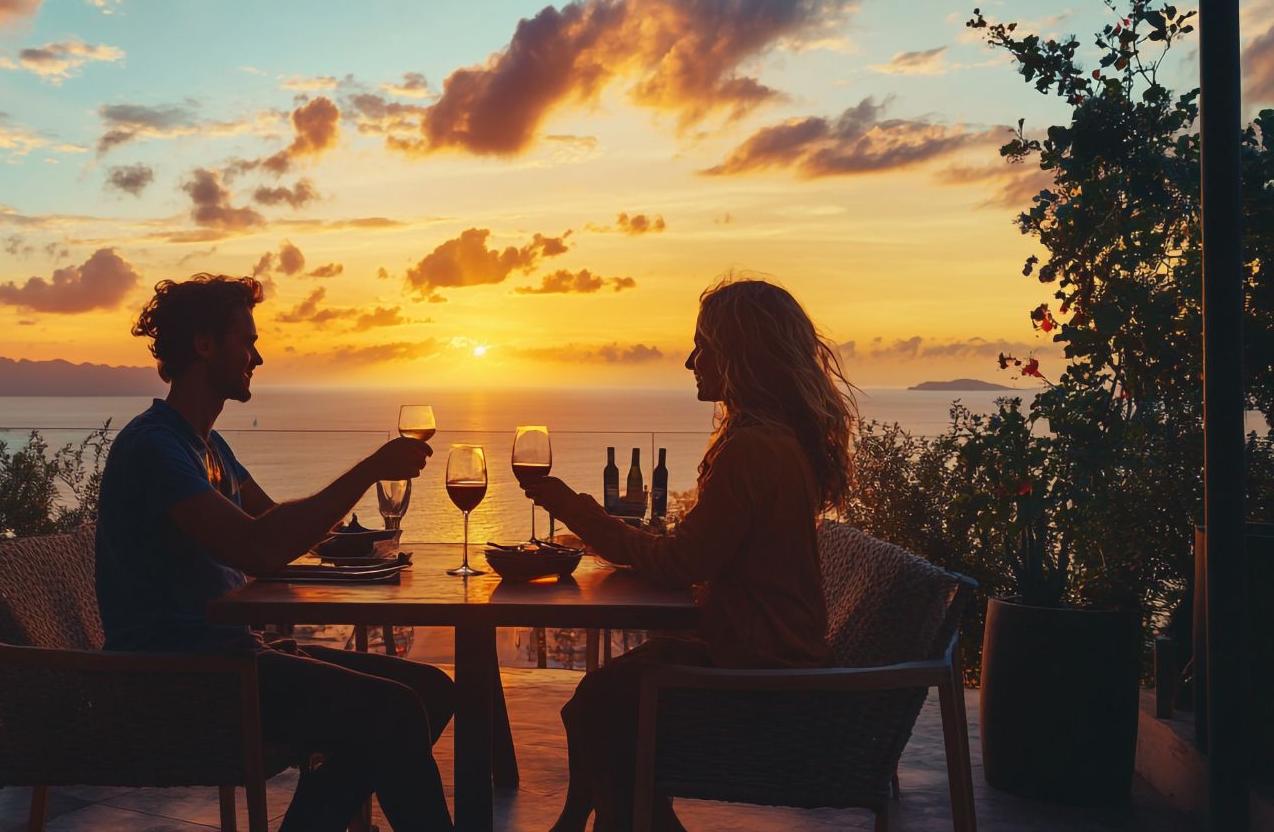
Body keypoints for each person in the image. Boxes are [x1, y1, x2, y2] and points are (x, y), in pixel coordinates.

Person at [95, 273, 455, 832]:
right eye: (247, 341)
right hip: (181, 675)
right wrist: (369, 470)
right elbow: (260, 549)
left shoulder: (208, 446)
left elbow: (274, 527)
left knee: (429, 690)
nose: (258, 357)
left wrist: (361, 542)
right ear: (204, 344)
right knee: (396, 710)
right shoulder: (155, 448)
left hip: (233, 654)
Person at [521, 278, 856, 832]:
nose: (689, 362)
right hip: (769, 655)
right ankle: (593, 819)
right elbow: (700, 554)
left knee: (600, 704)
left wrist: (577, 511)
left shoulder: (752, 449)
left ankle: (608, 821)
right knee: (601, 698)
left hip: (760, 676)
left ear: (741, 356)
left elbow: (681, 564)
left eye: (702, 347)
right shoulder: (779, 441)